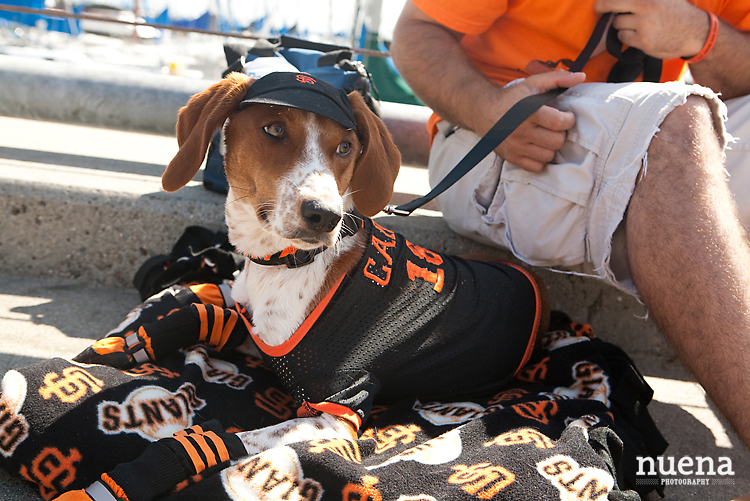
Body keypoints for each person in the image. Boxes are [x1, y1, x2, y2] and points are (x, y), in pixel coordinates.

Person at [390, 0, 750, 449]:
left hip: (655, 127)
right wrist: (490, 111)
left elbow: (737, 81)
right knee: (674, 123)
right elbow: (414, 32)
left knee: (673, 121)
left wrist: (703, 35)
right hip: (493, 135)